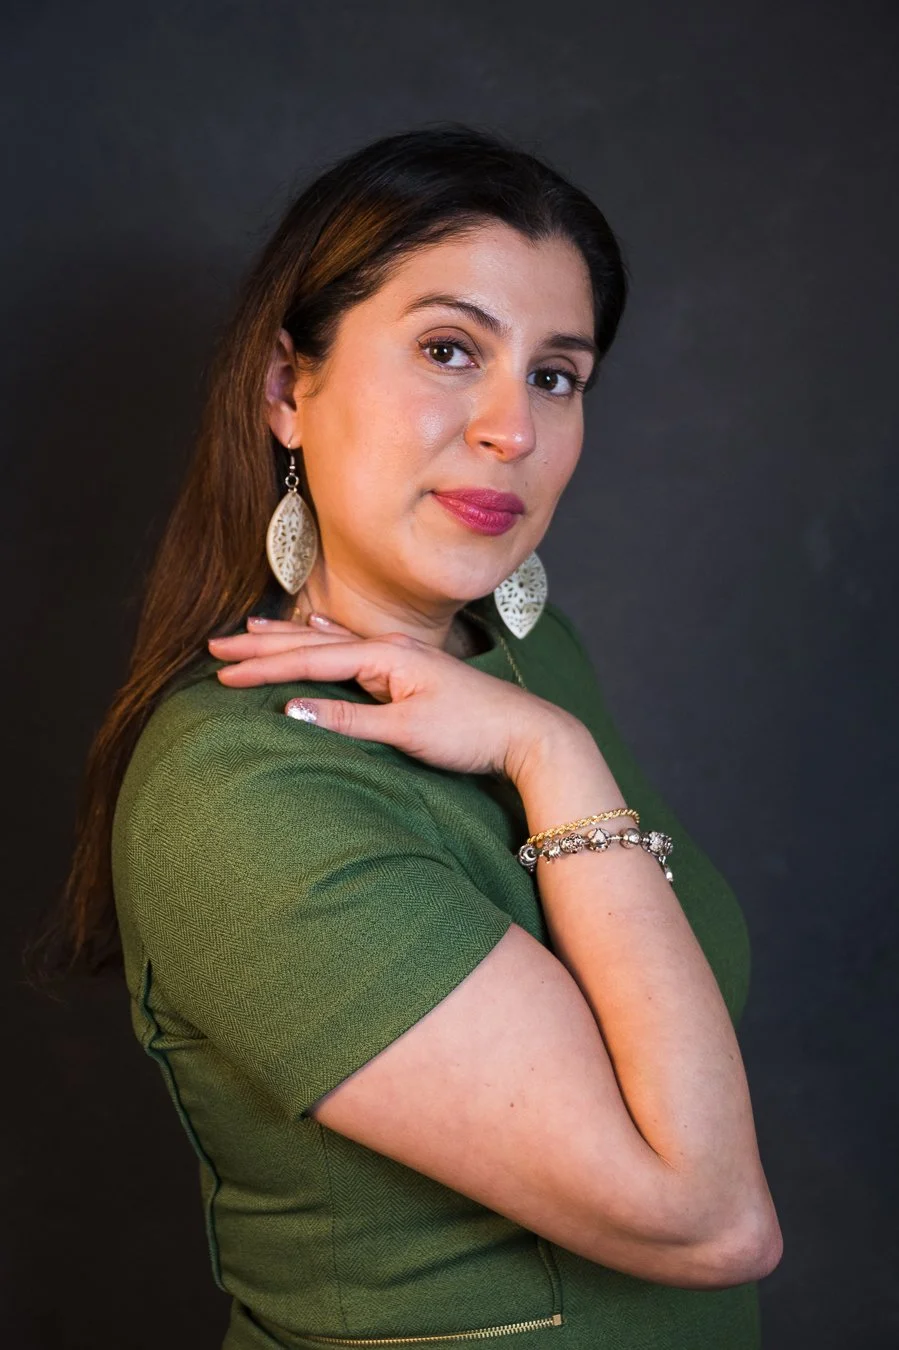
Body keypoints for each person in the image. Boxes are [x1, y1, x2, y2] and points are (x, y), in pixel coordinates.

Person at [56, 123, 782, 1349]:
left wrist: (536, 727)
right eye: (450, 350)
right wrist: (550, 756)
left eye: (555, 375)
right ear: (289, 389)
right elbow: (704, 1220)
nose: (512, 429)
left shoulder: (518, 655)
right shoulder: (243, 789)